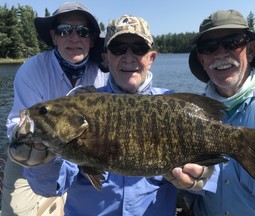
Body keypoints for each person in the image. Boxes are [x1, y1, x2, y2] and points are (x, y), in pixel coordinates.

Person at [9, 14, 214, 216]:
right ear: (106, 58)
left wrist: (203, 176)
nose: (129, 57)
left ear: (151, 58)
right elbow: (50, 188)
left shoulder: (174, 104)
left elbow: (213, 176)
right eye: (118, 49)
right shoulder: (84, 105)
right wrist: (43, 163)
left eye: (139, 49)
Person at [2, 2, 109, 215]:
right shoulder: (32, 69)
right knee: (17, 212)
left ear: (91, 39)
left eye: (82, 31)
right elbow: (19, 125)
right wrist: (37, 150)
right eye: (65, 30)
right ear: (54, 36)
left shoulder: (103, 73)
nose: (74, 37)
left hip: (89, 152)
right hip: (34, 157)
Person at [183, 9, 255, 215]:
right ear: (201, 60)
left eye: (232, 42)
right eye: (208, 47)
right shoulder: (188, 114)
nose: (220, 54)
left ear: (250, 50)